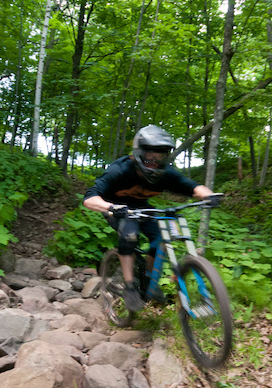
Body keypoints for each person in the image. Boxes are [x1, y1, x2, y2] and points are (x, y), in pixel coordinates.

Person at [83, 125, 216, 312]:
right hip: (116, 208)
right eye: (150, 155)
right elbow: (90, 198)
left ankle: (149, 279)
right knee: (129, 235)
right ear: (139, 153)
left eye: (160, 155)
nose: (154, 160)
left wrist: (209, 196)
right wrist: (111, 207)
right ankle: (129, 286)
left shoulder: (166, 174)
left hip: (142, 208)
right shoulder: (120, 170)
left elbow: (192, 187)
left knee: (161, 237)